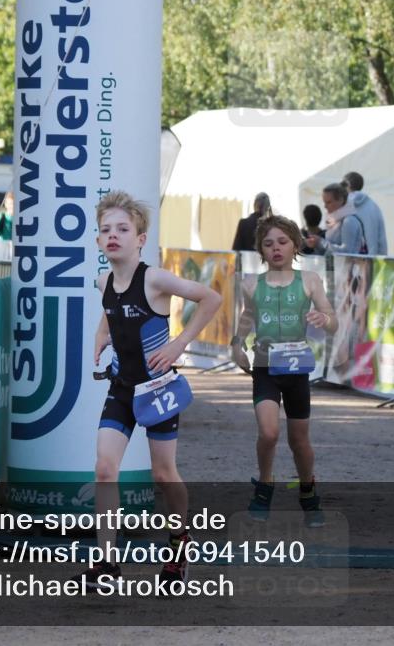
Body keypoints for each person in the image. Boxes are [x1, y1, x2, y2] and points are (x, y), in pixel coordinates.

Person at [74, 191, 221, 589]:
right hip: (122, 388)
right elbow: (111, 311)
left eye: (123, 228)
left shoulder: (155, 279)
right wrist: (100, 335)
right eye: (105, 230)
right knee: (105, 468)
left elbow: (211, 298)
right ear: (98, 240)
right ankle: (106, 563)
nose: (113, 235)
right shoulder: (104, 280)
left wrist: (179, 343)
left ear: (140, 238)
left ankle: (178, 545)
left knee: (163, 473)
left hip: (158, 389)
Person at [231, 214, 337, 526]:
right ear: (260, 251)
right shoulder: (251, 283)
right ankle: (264, 485)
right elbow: (248, 317)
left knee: (299, 441)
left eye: (282, 242)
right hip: (264, 366)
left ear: (295, 245)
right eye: (268, 243)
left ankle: (308, 491)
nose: (276, 248)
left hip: (296, 370)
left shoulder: (310, 281)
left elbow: (333, 321)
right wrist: (237, 345)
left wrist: (323, 319)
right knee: (268, 432)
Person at [304, 183, 366, 255]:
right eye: (324, 202)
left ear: (341, 200)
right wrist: (315, 244)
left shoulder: (349, 221)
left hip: (347, 265)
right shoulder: (335, 221)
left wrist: (320, 241)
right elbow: (327, 251)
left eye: (328, 202)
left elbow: (347, 253)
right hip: (334, 265)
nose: (325, 206)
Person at [342, 171, 387, 255]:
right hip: (375, 259)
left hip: (352, 260)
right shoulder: (373, 206)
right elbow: (379, 238)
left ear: (347, 185)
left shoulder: (343, 206)